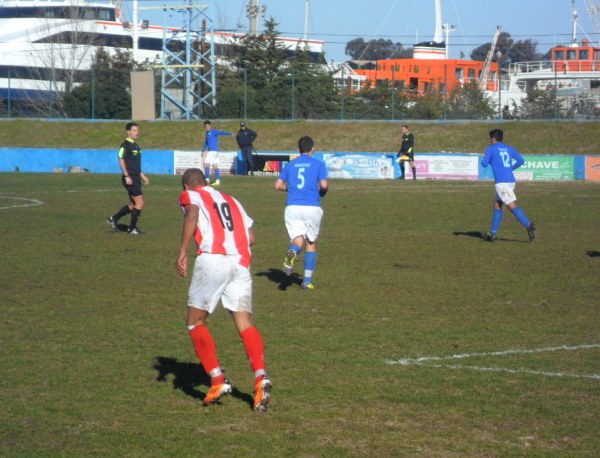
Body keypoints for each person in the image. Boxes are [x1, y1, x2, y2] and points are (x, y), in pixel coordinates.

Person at [176, 168, 271, 411]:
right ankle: (260, 378)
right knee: (245, 323)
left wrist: (183, 250)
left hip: (213, 260)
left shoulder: (192, 195)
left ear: (187, 186)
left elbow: (192, 214)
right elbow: (251, 237)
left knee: (195, 322)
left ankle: (217, 380)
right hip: (240, 264)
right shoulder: (232, 200)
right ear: (207, 181)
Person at [274, 136, 328, 290]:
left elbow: (277, 185)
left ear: (298, 149)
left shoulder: (291, 164)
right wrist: (322, 192)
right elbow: (324, 185)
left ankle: (291, 253)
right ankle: (307, 281)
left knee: (298, 242)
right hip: (311, 207)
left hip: (292, 208)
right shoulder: (318, 164)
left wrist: (290, 188)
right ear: (313, 149)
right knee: (310, 242)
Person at [481, 128, 536, 242]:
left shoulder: (491, 148)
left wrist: (485, 157)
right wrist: (510, 168)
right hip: (510, 180)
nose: (490, 140)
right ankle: (492, 234)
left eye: (490, 138)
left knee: (511, 206)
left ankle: (528, 225)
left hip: (502, 183)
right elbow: (521, 160)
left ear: (494, 138)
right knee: (497, 205)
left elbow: (484, 164)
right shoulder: (509, 148)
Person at [106, 122, 149, 235]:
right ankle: (132, 229)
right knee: (140, 202)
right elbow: (121, 160)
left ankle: (113, 219)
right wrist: (126, 176)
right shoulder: (125, 145)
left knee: (133, 205)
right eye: (134, 130)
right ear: (128, 132)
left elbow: (135, 165)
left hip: (136, 177)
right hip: (130, 178)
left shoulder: (136, 146)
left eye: (137, 130)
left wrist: (142, 175)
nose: (136, 132)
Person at [201, 120, 232, 186]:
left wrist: (230, 133)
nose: (207, 127)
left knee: (206, 164)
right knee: (215, 165)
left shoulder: (213, 131)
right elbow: (206, 143)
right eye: (206, 126)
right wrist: (203, 151)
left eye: (208, 126)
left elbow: (221, 133)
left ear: (210, 126)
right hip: (215, 152)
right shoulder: (207, 133)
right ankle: (217, 181)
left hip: (213, 151)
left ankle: (207, 180)